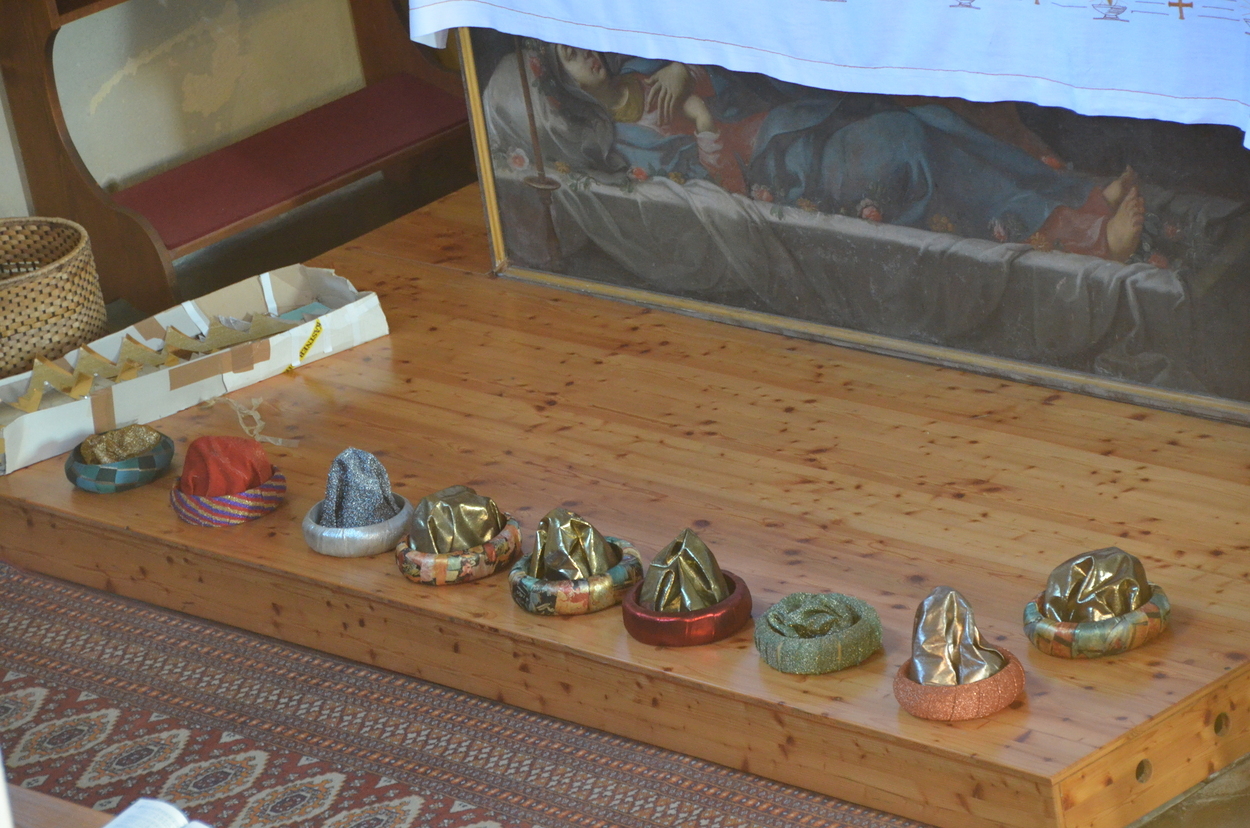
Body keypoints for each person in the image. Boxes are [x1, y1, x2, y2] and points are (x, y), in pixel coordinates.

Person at [541, 44, 1145, 262]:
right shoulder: (630, 144)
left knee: (932, 117)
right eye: (570, 58)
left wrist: (684, 67)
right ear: (570, 86)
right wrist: (701, 122)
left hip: (800, 122)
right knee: (907, 141)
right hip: (792, 170)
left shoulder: (647, 64)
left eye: (580, 45)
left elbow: (730, 72)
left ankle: (1085, 196)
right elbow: (722, 188)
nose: (586, 55)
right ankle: (1088, 238)